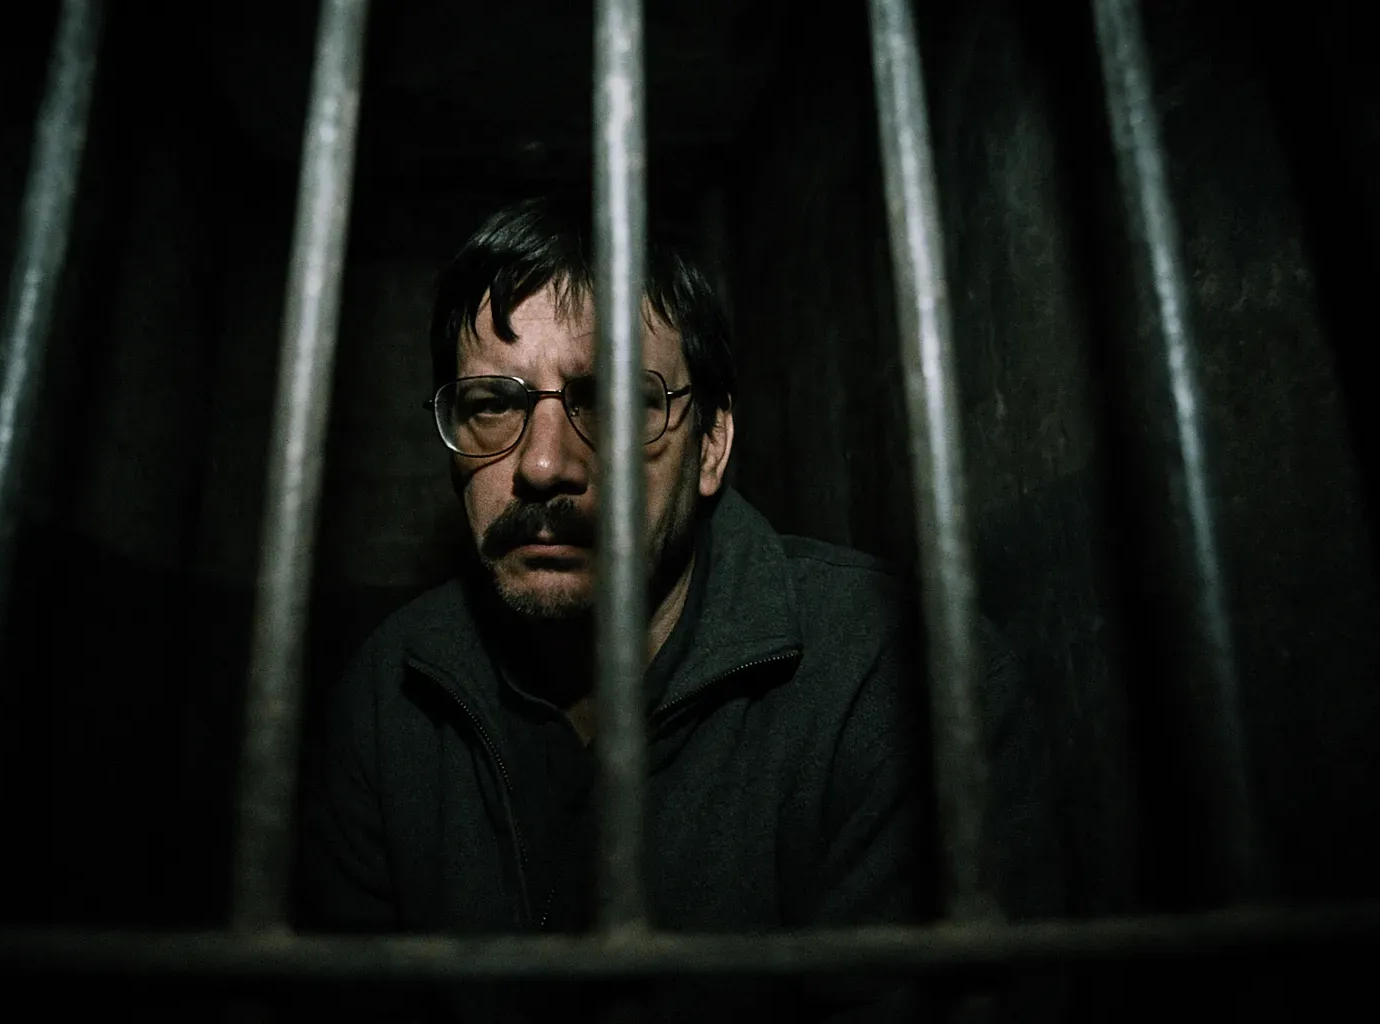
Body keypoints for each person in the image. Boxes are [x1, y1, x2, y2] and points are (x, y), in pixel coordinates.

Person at [299, 195, 1066, 1022]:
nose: (545, 465)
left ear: (710, 445)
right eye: (493, 403)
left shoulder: (897, 682)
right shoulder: (390, 692)